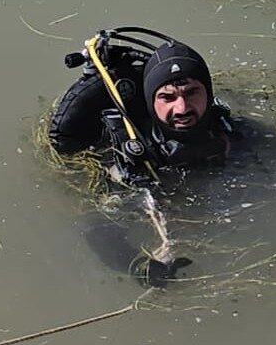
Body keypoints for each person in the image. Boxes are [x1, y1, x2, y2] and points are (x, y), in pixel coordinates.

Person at [48, 27, 238, 285]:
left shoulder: (230, 132)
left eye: (192, 93)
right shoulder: (130, 154)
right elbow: (96, 227)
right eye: (167, 97)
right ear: (150, 100)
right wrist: (139, 266)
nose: (181, 108)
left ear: (208, 92)